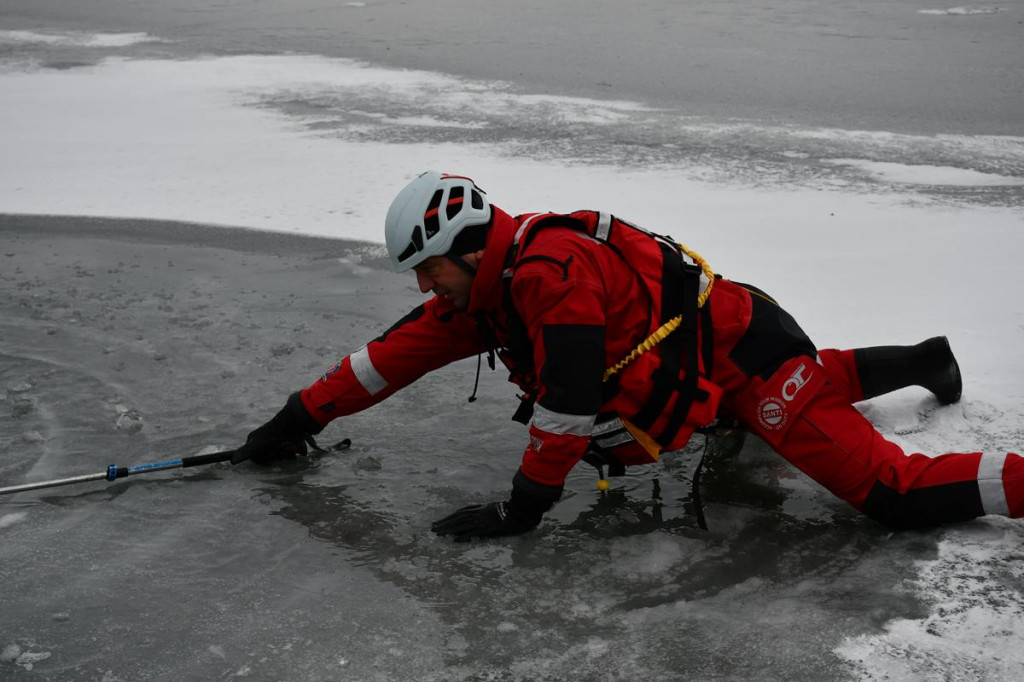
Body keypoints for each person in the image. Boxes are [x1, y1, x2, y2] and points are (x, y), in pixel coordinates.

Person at [231, 171, 1022, 540]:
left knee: (892, 495)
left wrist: (520, 510)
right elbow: (388, 359)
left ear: (469, 248)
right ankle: (923, 360)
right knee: (808, 391)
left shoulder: (552, 276)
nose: (423, 285)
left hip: (750, 359)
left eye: (429, 267)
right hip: (723, 348)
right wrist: (294, 419)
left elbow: (569, 401)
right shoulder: (486, 293)